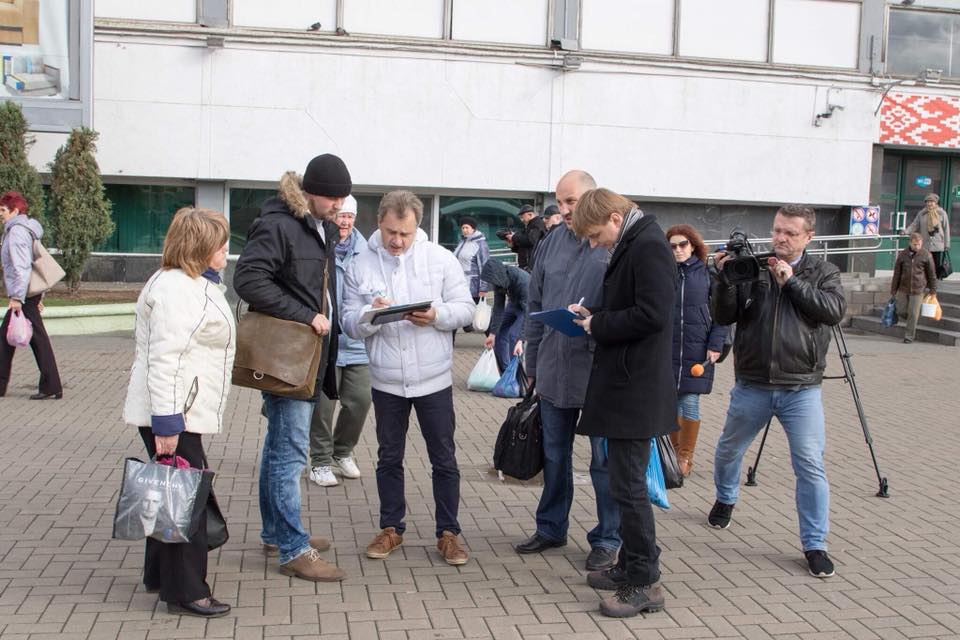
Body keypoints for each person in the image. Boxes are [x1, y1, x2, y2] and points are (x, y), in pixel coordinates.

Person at [709, 204, 846, 579]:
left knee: (810, 465)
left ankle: (815, 544)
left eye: (790, 232)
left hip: (801, 388)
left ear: (809, 237)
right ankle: (725, 497)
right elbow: (724, 315)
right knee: (728, 450)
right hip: (753, 383)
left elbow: (833, 311)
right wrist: (723, 280)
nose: (780, 238)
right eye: (777, 230)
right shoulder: (753, 267)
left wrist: (792, 283)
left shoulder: (824, 272)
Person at [342, 190, 476, 566]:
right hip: (386, 380)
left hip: (434, 379)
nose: (397, 241)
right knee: (389, 457)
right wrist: (371, 315)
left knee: (444, 458)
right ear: (379, 223)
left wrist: (436, 316)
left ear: (417, 227)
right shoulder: (360, 264)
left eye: (405, 233)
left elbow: (466, 309)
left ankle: (448, 533)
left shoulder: (440, 259)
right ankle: (391, 528)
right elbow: (349, 322)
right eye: (391, 232)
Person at [233, 154, 350, 583]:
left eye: (343, 198)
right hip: (289, 356)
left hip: (308, 356)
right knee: (290, 454)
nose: (339, 206)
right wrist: (306, 316)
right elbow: (248, 280)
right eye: (333, 198)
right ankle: (293, 549)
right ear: (310, 192)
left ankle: (277, 533)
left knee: (278, 450)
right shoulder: (279, 224)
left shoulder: (316, 225)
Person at [122, 207, 236, 618]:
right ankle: (187, 591)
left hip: (177, 410)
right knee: (188, 500)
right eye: (220, 244)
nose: (226, 250)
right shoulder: (177, 289)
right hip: (174, 413)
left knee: (169, 491)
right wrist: (168, 424)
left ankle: (160, 576)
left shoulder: (186, 283)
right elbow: (165, 360)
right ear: (199, 247)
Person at [568, 188, 676, 618]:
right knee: (622, 482)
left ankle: (644, 581)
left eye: (595, 235)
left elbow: (653, 314)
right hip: (628, 384)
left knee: (629, 488)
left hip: (637, 388)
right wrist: (592, 313)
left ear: (615, 218)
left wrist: (599, 324)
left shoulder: (648, 245)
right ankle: (631, 565)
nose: (595, 244)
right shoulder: (636, 240)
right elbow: (631, 304)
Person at [514, 170, 621, 573]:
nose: (564, 210)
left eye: (571, 201)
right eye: (559, 202)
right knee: (554, 454)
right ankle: (551, 527)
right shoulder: (551, 241)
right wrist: (532, 361)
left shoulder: (613, 243)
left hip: (598, 372)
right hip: (553, 367)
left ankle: (608, 538)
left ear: (594, 197)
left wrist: (596, 320)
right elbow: (534, 303)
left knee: (604, 462)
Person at [309, 195, 373, 487]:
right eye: (341, 215)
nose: (344, 221)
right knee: (322, 407)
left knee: (360, 400)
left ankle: (342, 451)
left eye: (350, 216)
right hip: (325, 340)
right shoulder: (320, 244)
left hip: (357, 341)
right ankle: (320, 461)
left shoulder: (367, 251)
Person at [665, 224, 728, 476]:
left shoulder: (707, 275)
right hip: (668, 349)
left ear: (692, 246)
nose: (678, 250)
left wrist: (715, 344)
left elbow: (722, 314)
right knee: (670, 402)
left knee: (690, 401)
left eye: (683, 244)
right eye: (672, 246)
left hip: (697, 348)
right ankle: (672, 454)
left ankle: (685, 457)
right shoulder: (663, 274)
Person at [0, 191, 63, 400]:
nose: (0, 214)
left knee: (36, 339)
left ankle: (51, 385)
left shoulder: (17, 232)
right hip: (27, 293)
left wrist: (17, 298)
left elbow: (22, 267)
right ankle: (50, 385)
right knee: (7, 339)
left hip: (23, 294)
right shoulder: (22, 229)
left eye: (3, 210)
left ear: (15, 211)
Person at [481, 258, 528, 373]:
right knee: (498, 332)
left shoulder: (522, 280)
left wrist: (521, 339)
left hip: (526, 306)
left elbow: (528, 311)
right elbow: (498, 308)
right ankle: (505, 372)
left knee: (514, 335)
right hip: (514, 304)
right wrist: (492, 334)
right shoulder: (498, 282)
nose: (493, 285)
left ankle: (516, 374)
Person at [891, 232, 937, 344]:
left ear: (922, 243)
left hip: (918, 289)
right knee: (901, 310)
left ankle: (909, 336)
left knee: (913, 313)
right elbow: (897, 273)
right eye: (915, 244)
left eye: (919, 244)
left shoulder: (926, 255)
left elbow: (932, 274)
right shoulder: (903, 255)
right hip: (903, 288)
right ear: (910, 243)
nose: (917, 246)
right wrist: (893, 289)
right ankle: (912, 319)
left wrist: (933, 290)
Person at [904, 194, 950, 279]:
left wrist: (947, 244)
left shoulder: (941, 213)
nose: (929, 203)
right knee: (925, 264)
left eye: (932, 201)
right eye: (928, 202)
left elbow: (946, 229)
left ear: (936, 203)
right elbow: (915, 225)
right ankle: (925, 282)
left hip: (938, 244)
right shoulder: (922, 213)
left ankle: (934, 282)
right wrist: (906, 231)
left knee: (936, 266)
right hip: (925, 244)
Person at [452, 216, 490, 304]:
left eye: (467, 227)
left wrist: (483, 288)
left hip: (472, 286)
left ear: (473, 229)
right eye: (463, 228)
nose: (464, 230)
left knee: (472, 310)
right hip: (460, 284)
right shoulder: (462, 242)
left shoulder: (480, 244)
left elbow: (484, 266)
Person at [506, 204, 546, 272]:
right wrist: (513, 245)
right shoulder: (530, 225)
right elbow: (524, 245)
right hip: (526, 265)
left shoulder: (537, 224)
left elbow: (530, 240)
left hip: (530, 266)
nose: (521, 220)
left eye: (522, 217)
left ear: (530, 214)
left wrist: (513, 237)